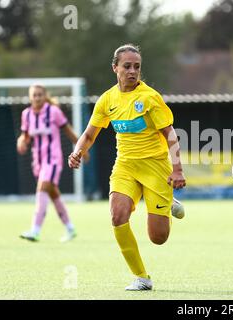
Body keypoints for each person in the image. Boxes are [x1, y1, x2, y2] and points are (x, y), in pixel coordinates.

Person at [68, 44, 186, 291]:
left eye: (137, 67)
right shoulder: (107, 100)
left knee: (158, 238)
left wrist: (177, 170)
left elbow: (170, 134)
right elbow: (89, 134)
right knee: (117, 215)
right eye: (127, 66)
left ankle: (167, 204)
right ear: (115, 68)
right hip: (125, 167)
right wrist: (78, 151)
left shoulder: (150, 98)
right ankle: (142, 277)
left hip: (155, 168)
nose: (132, 71)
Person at [17, 84, 85, 242]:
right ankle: (70, 228)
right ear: (30, 97)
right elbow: (25, 135)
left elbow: (68, 131)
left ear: (45, 95)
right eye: (34, 95)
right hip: (38, 162)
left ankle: (35, 230)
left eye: (40, 94)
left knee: (42, 188)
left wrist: (82, 149)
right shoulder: (26, 114)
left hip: (53, 160)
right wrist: (21, 141)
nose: (37, 97)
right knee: (53, 194)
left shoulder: (53, 111)